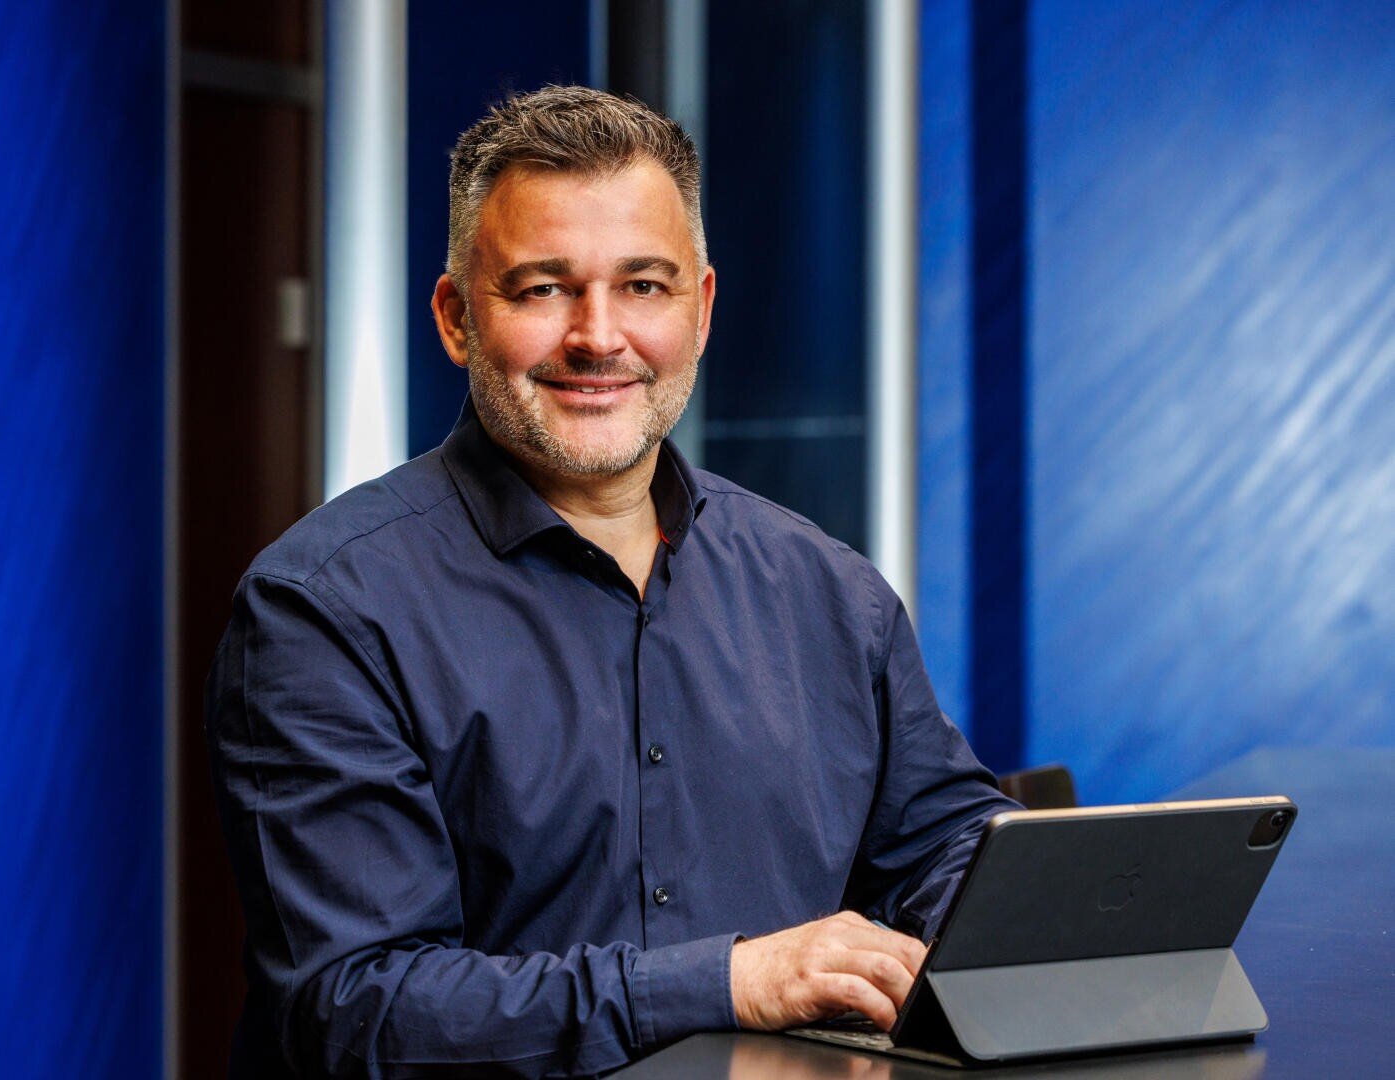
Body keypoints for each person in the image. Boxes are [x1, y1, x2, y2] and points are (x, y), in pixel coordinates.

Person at [206, 85, 1016, 1078]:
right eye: (543, 288)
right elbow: (356, 1008)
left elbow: (940, 842)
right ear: (457, 318)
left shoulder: (826, 590)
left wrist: (1033, 894)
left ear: (700, 310)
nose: (597, 337)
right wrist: (724, 980)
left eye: (642, 286)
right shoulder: (325, 611)